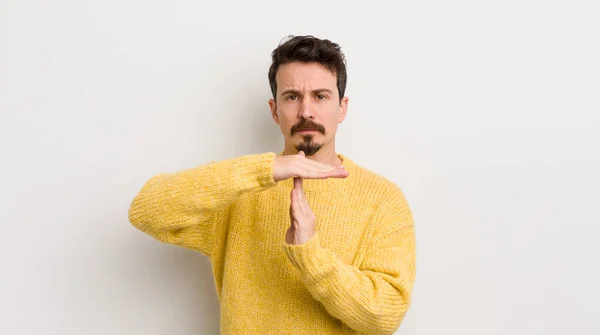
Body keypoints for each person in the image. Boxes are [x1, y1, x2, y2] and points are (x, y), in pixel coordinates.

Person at [128, 35, 416, 334]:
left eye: (320, 96)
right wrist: (266, 169)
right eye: (292, 96)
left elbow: (383, 318)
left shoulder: (383, 199)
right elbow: (147, 211)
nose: (306, 111)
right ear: (274, 110)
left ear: (341, 108)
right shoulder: (241, 191)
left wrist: (309, 255)